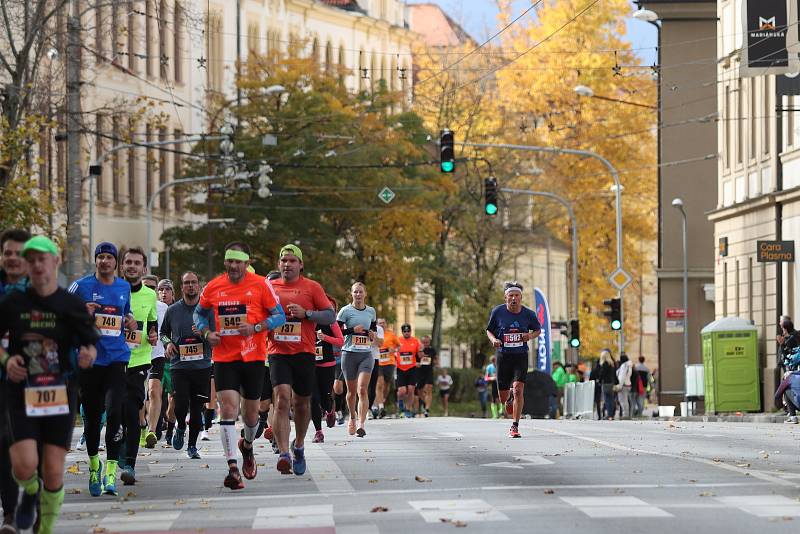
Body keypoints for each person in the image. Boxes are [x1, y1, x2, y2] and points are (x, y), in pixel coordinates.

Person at [0, 236, 99, 533]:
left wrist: (88, 354)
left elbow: (91, 341)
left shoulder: (70, 304)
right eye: (31, 261)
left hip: (60, 392)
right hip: (22, 392)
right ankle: (31, 490)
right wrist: (7, 361)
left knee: (54, 473)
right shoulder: (14, 302)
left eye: (42, 259)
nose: (37, 265)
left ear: (56, 261)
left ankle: (45, 530)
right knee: (24, 467)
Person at [194, 242, 285, 490]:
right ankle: (233, 468)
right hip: (224, 357)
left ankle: (246, 446)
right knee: (228, 409)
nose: (233, 266)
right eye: (229, 261)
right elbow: (198, 314)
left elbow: (280, 316)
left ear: (246, 263)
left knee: (251, 414)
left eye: (238, 262)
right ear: (225, 262)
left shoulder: (260, 285)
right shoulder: (213, 286)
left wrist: (256, 327)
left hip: (254, 357)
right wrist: (205, 332)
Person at [69, 242, 136, 497]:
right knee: (94, 416)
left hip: (117, 358)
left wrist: (129, 320)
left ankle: (110, 472)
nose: (105, 262)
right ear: (95, 261)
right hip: (90, 360)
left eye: (109, 258)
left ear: (115, 263)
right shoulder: (80, 286)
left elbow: (124, 315)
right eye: (101, 257)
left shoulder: (122, 287)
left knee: (115, 410)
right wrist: (80, 312)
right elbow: (61, 313)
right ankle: (94, 464)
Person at [268, 245, 334, 474]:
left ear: (301, 265)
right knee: (282, 399)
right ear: (279, 264)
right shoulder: (269, 287)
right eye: (283, 260)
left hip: (304, 352)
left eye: (292, 260)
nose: (287, 264)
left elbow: (330, 314)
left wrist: (307, 314)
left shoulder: (311, 287)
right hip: (277, 352)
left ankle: (299, 445)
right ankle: (284, 453)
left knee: (302, 404)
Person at [161, 271, 212, 459]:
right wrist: (168, 343)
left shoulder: (207, 310)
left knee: (198, 407)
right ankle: (180, 426)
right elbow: (163, 333)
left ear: (198, 286)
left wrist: (203, 334)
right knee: (180, 404)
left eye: (194, 282)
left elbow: (216, 335)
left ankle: (192, 446)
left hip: (202, 366)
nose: (190, 286)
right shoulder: (173, 310)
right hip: (179, 366)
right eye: (186, 283)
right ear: (181, 287)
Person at [118, 248, 159, 486]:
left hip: (140, 360)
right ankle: (118, 452)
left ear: (143, 269)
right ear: (122, 267)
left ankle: (130, 465)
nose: (132, 266)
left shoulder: (150, 295)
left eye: (137, 263)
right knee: (116, 413)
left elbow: (152, 322)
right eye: (128, 262)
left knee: (133, 411)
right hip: (114, 360)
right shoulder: (113, 291)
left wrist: (153, 335)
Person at [0, 228, 30, 530]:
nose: (12, 258)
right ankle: (9, 512)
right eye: (7, 252)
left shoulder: (41, 291)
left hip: (37, 381)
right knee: (5, 442)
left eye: (18, 253)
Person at [485, 281, 541, 438]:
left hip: (520, 355)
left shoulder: (529, 314)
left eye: (517, 295)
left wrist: (529, 336)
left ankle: (515, 426)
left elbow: (537, 329)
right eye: (511, 295)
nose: (514, 298)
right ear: (505, 298)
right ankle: (508, 397)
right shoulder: (498, 312)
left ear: (521, 298)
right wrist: (493, 340)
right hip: (503, 356)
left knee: (518, 390)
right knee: (503, 397)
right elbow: (489, 330)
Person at [337, 282, 380, 437]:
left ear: (365, 293)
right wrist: (351, 330)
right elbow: (337, 331)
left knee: (362, 389)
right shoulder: (345, 311)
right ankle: (352, 418)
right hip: (349, 354)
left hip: (365, 355)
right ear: (351, 294)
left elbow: (373, 328)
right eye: (355, 292)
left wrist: (371, 333)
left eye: (360, 292)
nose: (358, 295)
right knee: (351, 391)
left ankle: (361, 425)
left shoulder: (371, 311)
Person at [143, 277, 173, 447]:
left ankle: (152, 431)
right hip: (136, 356)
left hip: (157, 355)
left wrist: (167, 342)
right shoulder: (131, 302)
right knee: (141, 395)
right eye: (145, 286)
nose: (149, 289)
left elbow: (167, 331)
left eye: (152, 287)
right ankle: (141, 425)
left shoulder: (163, 308)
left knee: (154, 391)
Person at [311, 296, 344, 443]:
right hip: (309, 364)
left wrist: (324, 338)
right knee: (313, 398)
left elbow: (340, 341)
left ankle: (330, 410)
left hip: (327, 365)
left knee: (325, 398)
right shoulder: (308, 320)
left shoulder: (331, 322)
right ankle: (318, 431)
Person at [374, 318, 399, 418]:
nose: (382, 325)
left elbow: (398, 346)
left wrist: (394, 349)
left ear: (386, 324)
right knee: (379, 384)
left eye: (383, 323)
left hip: (389, 362)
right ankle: (380, 406)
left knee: (386, 385)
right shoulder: (374, 333)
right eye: (380, 323)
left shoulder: (391, 334)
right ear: (377, 324)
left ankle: (381, 401)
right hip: (378, 362)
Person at [395, 324, 421, 418]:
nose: (407, 333)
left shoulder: (415, 341)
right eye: (405, 331)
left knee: (411, 390)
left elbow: (419, 354)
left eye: (408, 331)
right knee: (401, 391)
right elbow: (393, 352)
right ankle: (401, 406)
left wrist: (420, 357)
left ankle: (408, 409)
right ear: (402, 332)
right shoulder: (398, 340)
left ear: (411, 331)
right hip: (400, 368)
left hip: (412, 368)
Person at [417, 335, 437, 417]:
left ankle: (427, 409)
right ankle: (425, 403)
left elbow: (435, 359)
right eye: (424, 342)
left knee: (428, 389)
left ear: (429, 342)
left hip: (429, 372)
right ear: (421, 342)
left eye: (427, 342)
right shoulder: (418, 350)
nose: (425, 344)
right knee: (420, 391)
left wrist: (436, 363)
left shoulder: (432, 350)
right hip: (420, 372)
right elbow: (415, 359)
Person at [597, 349, 617, 420]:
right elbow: (614, 374)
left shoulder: (605, 364)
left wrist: (599, 380)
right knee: (611, 399)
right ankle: (611, 414)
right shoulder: (611, 364)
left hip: (606, 383)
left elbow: (602, 374)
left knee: (607, 399)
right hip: (611, 383)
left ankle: (609, 415)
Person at [616, 354, 633, 419]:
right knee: (626, 400)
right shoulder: (629, 365)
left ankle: (625, 414)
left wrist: (619, 386)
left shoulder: (624, 366)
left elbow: (622, 376)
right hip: (628, 384)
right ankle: (627, 414)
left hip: (623, 385)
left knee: (623, 400)